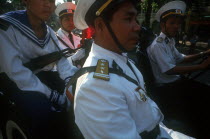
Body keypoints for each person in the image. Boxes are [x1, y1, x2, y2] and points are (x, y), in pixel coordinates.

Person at [72, 0, 195, 138]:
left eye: (136, 19)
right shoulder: (95, 87)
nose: (138, 27)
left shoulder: (121, 59)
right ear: (100, 25)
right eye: (128, 19)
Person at [0, 0, 78, 138]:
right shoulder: (6, 26)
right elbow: (17, 73)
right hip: (15, 83)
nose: (49, 4)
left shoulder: (49, 32)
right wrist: (54, 96)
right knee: (40, 110)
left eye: (52, 1)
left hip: (43, 77)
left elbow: (63, 63)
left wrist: (70, 86)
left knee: (80, 93)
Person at [146, 1, 210, 138]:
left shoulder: (169, 41)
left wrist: (203, 54)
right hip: (167, 89)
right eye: (172, 23)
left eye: (178, 23)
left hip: (175, 84)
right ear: (163, 25)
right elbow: (169, 70)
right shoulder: (158, 45)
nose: (177, 27)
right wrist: (201, 66)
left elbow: (181, 58)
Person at [55, 2, 85, 67]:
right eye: (67, 20)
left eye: (72, 20)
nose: (71, 23)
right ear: (60, 21)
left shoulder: (78, 37)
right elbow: (55, 66)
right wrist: (74, 57)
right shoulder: (54, 39)